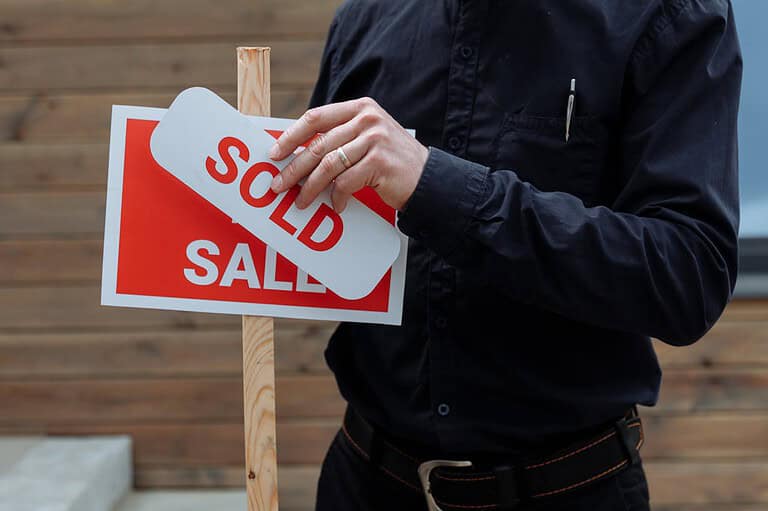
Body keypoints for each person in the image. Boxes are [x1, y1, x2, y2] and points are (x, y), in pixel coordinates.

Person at [268, 1, 742, 509]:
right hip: (365, 482)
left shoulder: (669, 14)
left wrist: (438, 186)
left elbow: (688, 275)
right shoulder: (364, 18)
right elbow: (315, 229)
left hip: (567, 490)